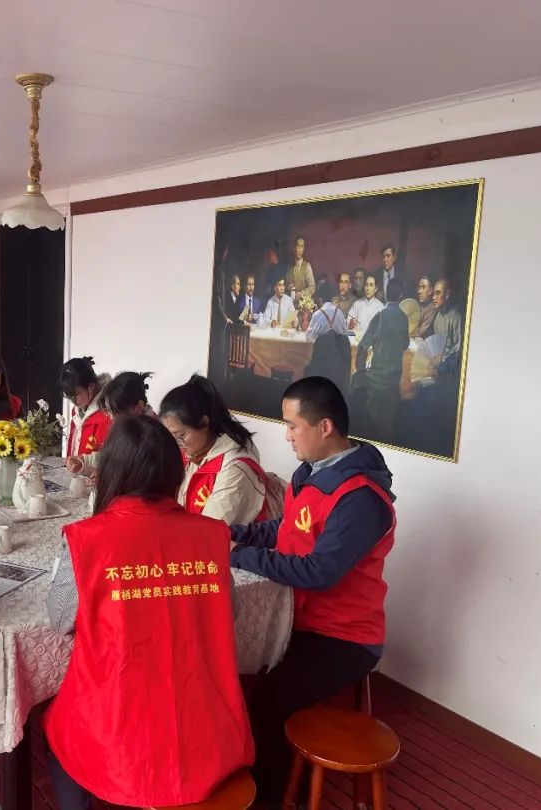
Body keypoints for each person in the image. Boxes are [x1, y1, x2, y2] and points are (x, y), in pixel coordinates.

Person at [45, 416, 254, 808]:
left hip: (118, 727)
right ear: (174, 470)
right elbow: (231, 612)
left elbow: (61, 620)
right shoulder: (211, 535)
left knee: (57, 733)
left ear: (112, 473)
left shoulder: (87, 540)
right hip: (206, 730)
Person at [229, 377, 396, 806]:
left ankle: (276, 796)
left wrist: (239, 556)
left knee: (270, 698)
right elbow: (285, 530)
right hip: (299, 616)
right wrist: (233, 534)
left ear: (324, 427)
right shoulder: (312, 473)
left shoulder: (361, 497)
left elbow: (320, 572)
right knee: (240, 670)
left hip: (343, 636)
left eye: (291, 425)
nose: (286, 435)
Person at [160, 375, 269, 525]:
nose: (176, 444)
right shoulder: (198, 449)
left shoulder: (235, 469)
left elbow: (209, 531)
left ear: (204, 423)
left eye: (180, 436)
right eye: (170, 436)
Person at [352, 279, 411, 442]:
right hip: (393, 380)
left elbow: (362, 347)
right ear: (401, 296)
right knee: (388, 425)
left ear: (385, 294)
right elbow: (405, 344)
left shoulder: (380, 316)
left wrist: (361, 370)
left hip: (376, 379)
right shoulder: (403, 318)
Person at [61, 357, 113, 474]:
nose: (73, 401)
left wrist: (83, 462)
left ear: (91, 386)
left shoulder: (109, 411)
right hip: (78, 474)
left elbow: (113, 455)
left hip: (97, 477)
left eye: (76, 395)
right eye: (69, 396)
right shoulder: (78, 409)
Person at [431, 278, 463, 362]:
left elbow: (457, 349)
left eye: (438, 293)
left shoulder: (455, 317)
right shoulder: (437, 316)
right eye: (433, 294)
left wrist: (443, 359)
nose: (433, 298)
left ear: (447, 295)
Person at [348, 274, 384, 338]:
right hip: (357, 341)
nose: (368, 288)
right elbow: (349, 326)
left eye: (371, 285)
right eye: (366, 285)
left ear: (376, 289)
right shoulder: (357, 304)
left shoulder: (380, 307)